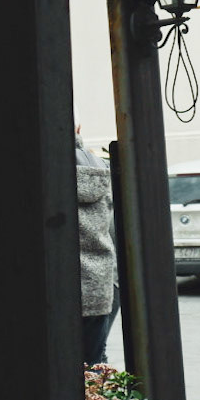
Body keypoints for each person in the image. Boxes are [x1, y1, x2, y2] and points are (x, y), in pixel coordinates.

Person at [76, 131, 118, 366]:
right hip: (100, 282)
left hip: (63, 287)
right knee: (94, 362)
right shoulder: (99, 164)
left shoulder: (46, 162)